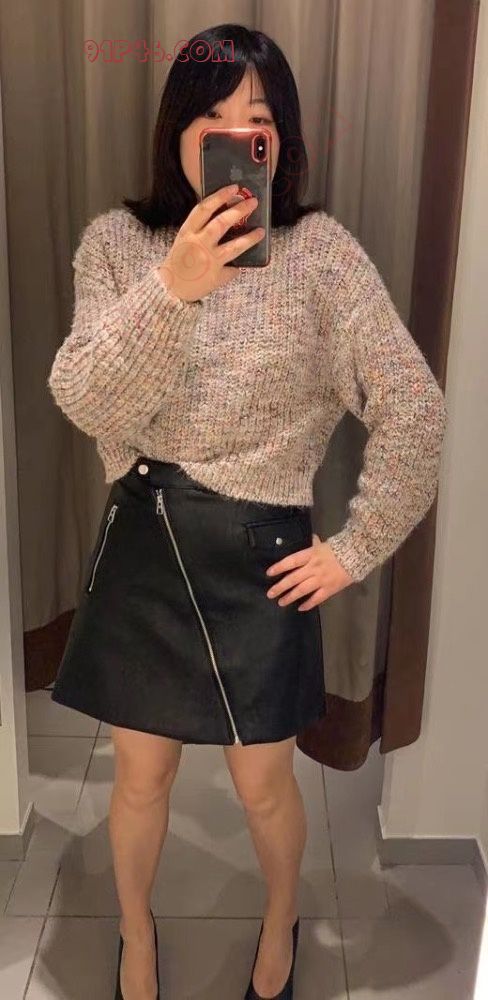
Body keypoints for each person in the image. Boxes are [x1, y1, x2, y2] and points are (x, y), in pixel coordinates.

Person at [46, 22, 448, 1000]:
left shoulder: (321, 257)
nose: (233, 136)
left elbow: (415, 407)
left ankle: (279, 921)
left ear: (280, 142)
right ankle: (136, 934)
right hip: (146, 540)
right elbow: (86, 399)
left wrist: (354, 548)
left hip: (263, 551)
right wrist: (172, 291)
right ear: (178, 129)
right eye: (212, 116)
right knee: (140, 780)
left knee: (263, 786)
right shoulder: (117, 245)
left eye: (256, 120)